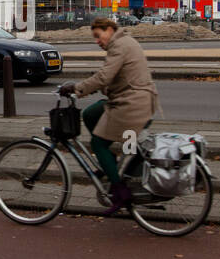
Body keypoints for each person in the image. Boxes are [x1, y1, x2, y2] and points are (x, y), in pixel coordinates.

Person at [58, 15, 161, 216]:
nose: (97, 41)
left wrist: (77, 88)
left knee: (98, 143)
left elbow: (105, 75)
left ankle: (120, 191)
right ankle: (114, 165)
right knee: (90, 114)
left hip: (132, 105)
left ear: (109, 30)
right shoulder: (124, 41)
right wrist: (97, 88)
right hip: (137, 101)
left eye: (98, 36)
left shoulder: (119, 46)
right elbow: (113, 77)